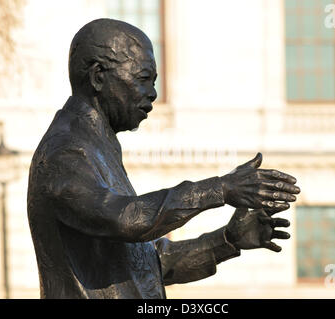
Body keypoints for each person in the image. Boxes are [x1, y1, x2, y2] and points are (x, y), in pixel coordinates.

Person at [27, 18, 300, 299]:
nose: (153, 94)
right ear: (98, 76)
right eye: (143, 79)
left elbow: (146, 264)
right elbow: (123, 219)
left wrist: (228, 239)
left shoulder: (98, 147)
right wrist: (220, 189)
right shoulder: (66, 151)